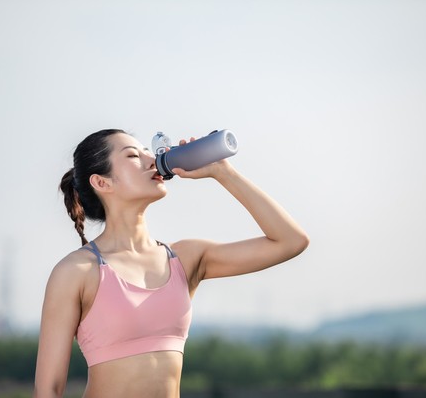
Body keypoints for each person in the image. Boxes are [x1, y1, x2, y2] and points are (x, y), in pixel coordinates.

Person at [33, 129, 309, 398]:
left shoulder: (185, 258)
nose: (151, 159)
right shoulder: (77, 271)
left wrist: (224, 173)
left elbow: (290, 241)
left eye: (147, 151)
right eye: (132, 156)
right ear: (102, 182)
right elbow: (48, 390)